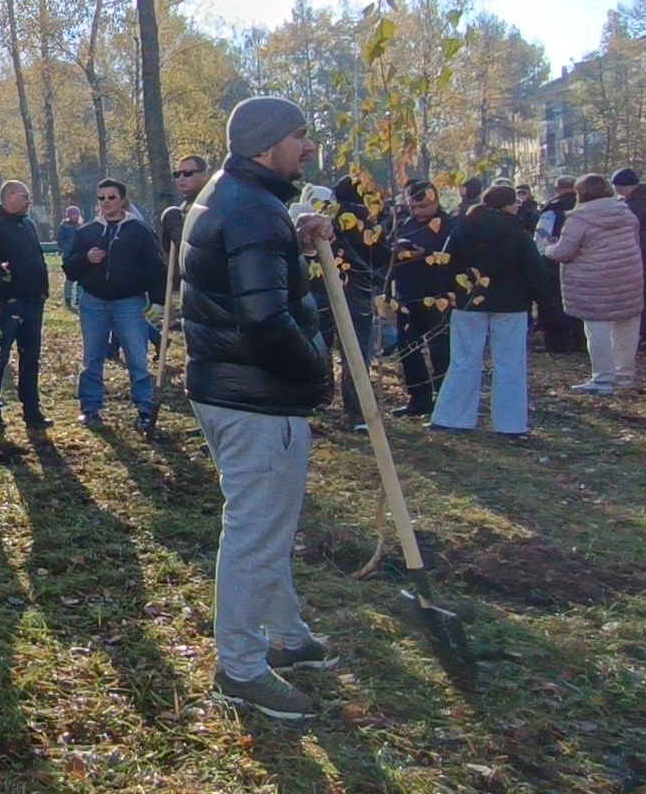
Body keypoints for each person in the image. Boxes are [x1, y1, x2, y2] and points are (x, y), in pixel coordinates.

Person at [180, 96, 338, 721]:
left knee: (265, 524)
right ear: (267, 143)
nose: (308, 148)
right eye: (300, 136)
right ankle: (241, 669)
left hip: (229, 390)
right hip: (256, 397)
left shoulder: (238, 196)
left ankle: (289, 638)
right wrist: (317, 373)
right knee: (256, 532)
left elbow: (247, 276)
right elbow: (266, 318)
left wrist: (291, 242)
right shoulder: (251, 209)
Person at [429, 184, 545, 441]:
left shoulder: (462, 228)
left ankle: (451, 417)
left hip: (467, 301)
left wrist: (444, 294)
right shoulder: (518, 233)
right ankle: (511, 425)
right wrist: (543, 303)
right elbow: (535, 271)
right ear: (508, 206)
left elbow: (445, 264)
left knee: (463, 360)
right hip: (511, 304)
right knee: (510, 364)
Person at [63, 178, 166, 434]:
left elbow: (156, 268)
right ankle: (90, 408)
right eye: (102, 198)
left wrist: (159, 301)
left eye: (111, 197)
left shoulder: (139, 231)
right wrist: (86, 259)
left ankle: (144, 410)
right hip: (94, 302)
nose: (106, 202)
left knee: (137, 359)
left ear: (122, 199)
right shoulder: (86, 232)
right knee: (92, 357)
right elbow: (70, 268)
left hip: (129, 303)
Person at [543, 173, 646, 393]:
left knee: (597, 331)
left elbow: (564, 252)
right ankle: (625, 376)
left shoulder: (579, 219)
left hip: (594, 283)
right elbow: (635, 243)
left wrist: (547, 248)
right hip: (628, 278)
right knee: (626, 327)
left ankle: (603, 379)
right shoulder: (626, 212)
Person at [0, 181, 51, 440]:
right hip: (7, 304)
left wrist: (42, 288)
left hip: (33, 301)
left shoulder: (27, 224)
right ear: (8, 197)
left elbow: (38, 257)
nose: (28, 200)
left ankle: (31, 407)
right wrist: (5, 283)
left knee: (31, 356)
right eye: (23, 196)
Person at [325, 174, 388, 434]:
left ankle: (323, 398)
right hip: (357, 290)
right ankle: (357, 410)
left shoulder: (328, 217)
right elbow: (380, 253)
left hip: (326, 287)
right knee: (356, 352)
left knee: (325, 346)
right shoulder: (365, 220)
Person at [389, 181, 454, 417]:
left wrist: (424, 254)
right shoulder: (403, 224)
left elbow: (454, 257)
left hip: (438, 295)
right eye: (412, 206)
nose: (417, 212)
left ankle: (446, 401)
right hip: (407, 295)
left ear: (435, 200)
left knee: (441, 351)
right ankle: (419, 399)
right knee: (408, 350)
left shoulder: (449, 226)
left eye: (422, 206)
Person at [535, 176, 586, 354]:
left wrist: (546, 254)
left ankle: (558, 343)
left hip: (554, 263)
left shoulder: (552, 209)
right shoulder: (585, 207)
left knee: (554, 303)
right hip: (585, 263)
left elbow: (541, 238)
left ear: (557, 189)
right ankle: (582, 341)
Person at [614, 167, 646, 351]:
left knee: (644, 294)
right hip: (641, 252)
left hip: (642, 252)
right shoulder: (640, 199)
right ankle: (643, 333)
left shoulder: (640, 203)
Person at [56, 206, 84, 310]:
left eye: (76, 214)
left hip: (80, 255)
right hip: (69, 256)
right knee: (70, 278)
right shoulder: (64, 227)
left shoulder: (81, 227)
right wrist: (68, 250)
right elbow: (61, 242)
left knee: (81, 278)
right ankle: (68, 298)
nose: (75, 216)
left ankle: (78, 298)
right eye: (73, 214)